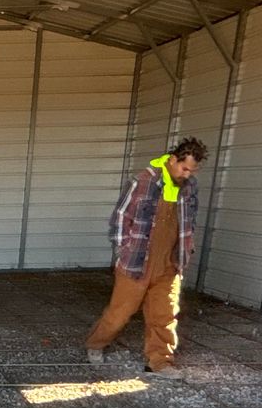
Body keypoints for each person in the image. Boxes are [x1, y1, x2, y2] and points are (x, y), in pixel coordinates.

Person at [85, 138, 204, 377]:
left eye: (192, 170)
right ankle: (95, 345)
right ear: (173, 160)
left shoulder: (189, 188)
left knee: (165, 314)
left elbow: (188, 222)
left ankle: (160, 362)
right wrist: (123, 250)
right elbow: (120, 216)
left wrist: (185, 252)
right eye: (184, 168)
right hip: (137, 261)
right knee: (120, 312)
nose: (188, 173)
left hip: (169, 263)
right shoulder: (143, 181)